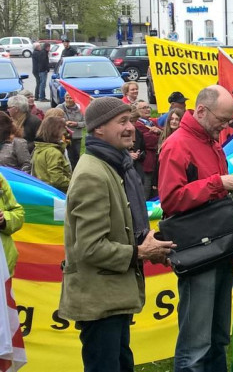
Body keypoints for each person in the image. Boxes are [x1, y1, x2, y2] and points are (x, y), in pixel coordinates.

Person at [59, 97, 173, 371]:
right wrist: (140, 252)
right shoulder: (93, 175)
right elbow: (90, 247)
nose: (131, 127)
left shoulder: (114, 165)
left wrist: (149, 244)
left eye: (131, 121)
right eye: (122, 122)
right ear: (98, 128)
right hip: (99, 300)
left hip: (112, 297)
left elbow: (120, 227)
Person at [158, 85, 233, 372]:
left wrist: (232, 188)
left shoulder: (210, 142)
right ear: (201, 111)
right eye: (222, 120)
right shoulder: (177, 145)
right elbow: (171, 200)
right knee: (196, 343)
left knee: (218, 336)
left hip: (218, 247)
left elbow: (209, 192)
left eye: (229, 121)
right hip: (198, 252)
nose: (225, 127)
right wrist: (218, 184)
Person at [31, 116, 72, 192]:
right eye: (63, 129)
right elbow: (57, 179)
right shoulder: (53, 153)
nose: (65, 133)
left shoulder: (39, 148)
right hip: (57, 192)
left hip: (42, 189)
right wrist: (73, 184)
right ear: (56, 131)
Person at [133, 101, 161, 199]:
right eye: (144, 108)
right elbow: (149, 142)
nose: (147, 109)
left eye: (148, 107)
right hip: (145, 163)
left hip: (154, 163)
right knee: (145, 191)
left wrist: (158, 132)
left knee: (154, 192)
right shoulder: (137, 124)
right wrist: (158, 134)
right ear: (137, 111)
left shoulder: (152, 122)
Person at [57, 93, 85, 169]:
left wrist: (77, 124)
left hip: (76, 136)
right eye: (67, 98)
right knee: (65, 155)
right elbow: (54, 119)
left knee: (76, 156)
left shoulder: (81, 108)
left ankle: (75, 171)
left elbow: (86, 122)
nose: (68, 100)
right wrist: (64, 123)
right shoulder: (60, 107)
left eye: (71, 98)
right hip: (64, 136)